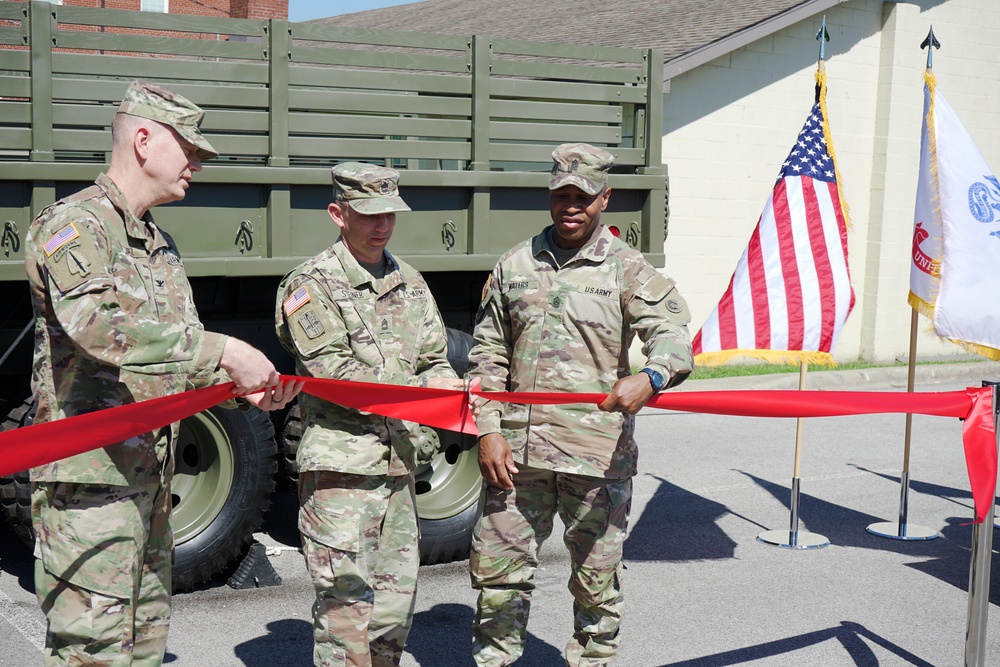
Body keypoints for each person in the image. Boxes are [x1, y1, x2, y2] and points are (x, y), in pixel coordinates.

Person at [23, 79, 300, 667]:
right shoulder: (76, 226)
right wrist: (224, 350)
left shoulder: (158, 244)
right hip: (92, 490)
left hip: (151, 485)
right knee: (91, 652)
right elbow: (97, 329)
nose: (197, 163)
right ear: (143, 140)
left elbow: (173, 359)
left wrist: (240, 390)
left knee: (144, 646)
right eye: (190, 148)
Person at [467, 143, 695, 666]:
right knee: (499, 580)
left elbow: (673, 338)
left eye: (583, 197)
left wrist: (651, 376)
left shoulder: (627, 269)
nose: (571, 206)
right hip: (516, 459)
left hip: (594, 458)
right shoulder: (514, 265)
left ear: (604, 199)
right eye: (561, 196)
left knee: (596, 584)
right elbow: (486, 355)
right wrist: (488, 430)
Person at [275, 162, 468, 667]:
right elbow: (334, 374)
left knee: (390, 616)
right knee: (345, 615)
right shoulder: (309, 285)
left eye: (389, 213)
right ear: (338, 214)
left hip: (398, 471)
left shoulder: (410, 280)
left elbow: (434, 358)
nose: (381, 224)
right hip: (342, 472)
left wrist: (448, 394)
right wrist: (425, 387)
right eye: (368, 213)